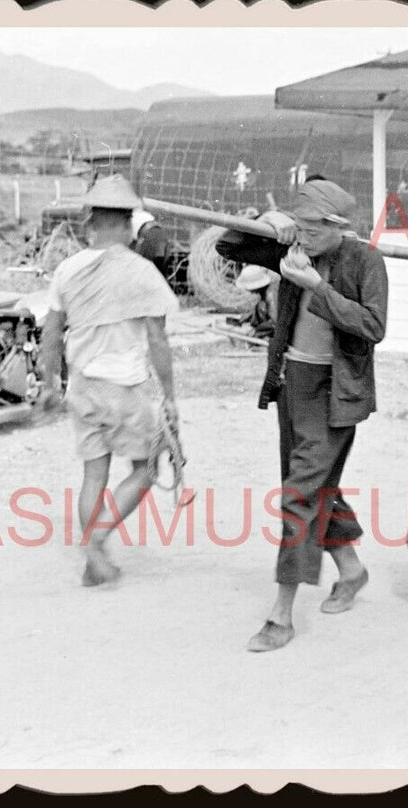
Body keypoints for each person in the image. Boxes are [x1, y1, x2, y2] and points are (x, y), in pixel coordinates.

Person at [213, 179, 389, 653]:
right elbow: (228, 244)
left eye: (314, 227)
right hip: (294, 385)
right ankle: (351, 570)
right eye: (301, 225)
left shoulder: (365, 259)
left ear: (338, 226)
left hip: (336, 391)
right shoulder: (292, 247)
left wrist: (316, 287)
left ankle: (281, 615)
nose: (305, 235)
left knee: (300, 493)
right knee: (312, 486)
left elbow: (373, 326)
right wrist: (273, 226)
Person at [37, 175, 180, 587]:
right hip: (126, 387)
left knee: (93, 476)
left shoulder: (67, 269)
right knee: (147, 470)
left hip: (82, 386)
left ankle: (92, 562)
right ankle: (96, 541)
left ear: (91, 225)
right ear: (129, 225)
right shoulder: (142, 272)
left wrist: (50, 384)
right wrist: (169, 397)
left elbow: (51, 332)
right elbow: (157, 339)